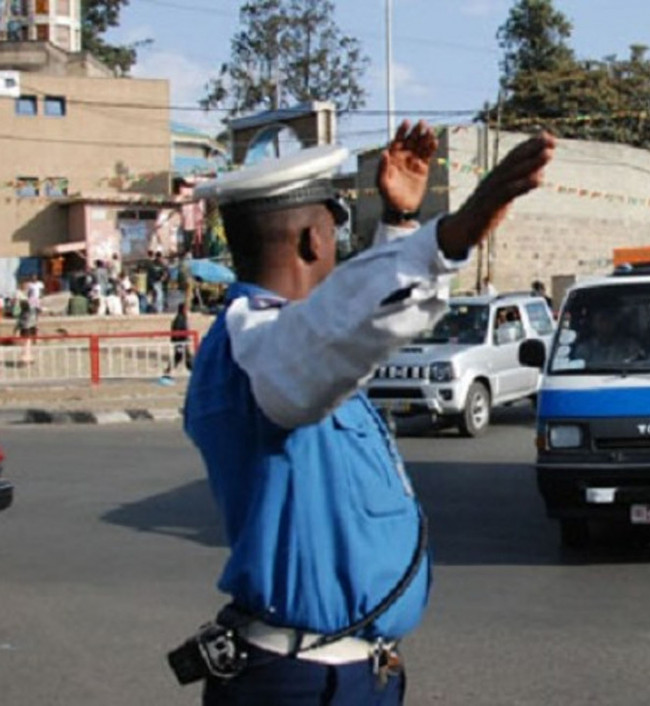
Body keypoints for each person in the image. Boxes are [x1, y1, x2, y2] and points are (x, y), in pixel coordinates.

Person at [178, 121, 554, 705]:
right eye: (336, 230)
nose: (339, 246)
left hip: (351, 673)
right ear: (312, 241)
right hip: (301, 683)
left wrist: (401, 226)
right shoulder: (250, 344)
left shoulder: (282, 339)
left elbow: (346, 330)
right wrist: (450, 234)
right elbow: (335, 328)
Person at [574, 306, 643, 364]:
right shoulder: (584, 349)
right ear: (593, 324)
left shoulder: (630, 346)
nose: (606, 324)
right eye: (602, 319)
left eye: (609, 319)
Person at [162, 303, 192, 379]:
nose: (187, 311)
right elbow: (177, 331)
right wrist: (179, 341)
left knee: (185, 357)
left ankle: (193, 371)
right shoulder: (179, 319)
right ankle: (167, 372)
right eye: (185, 309)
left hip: (183, 342)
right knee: (180, 357)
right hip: (180, 342)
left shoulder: (183, 318)